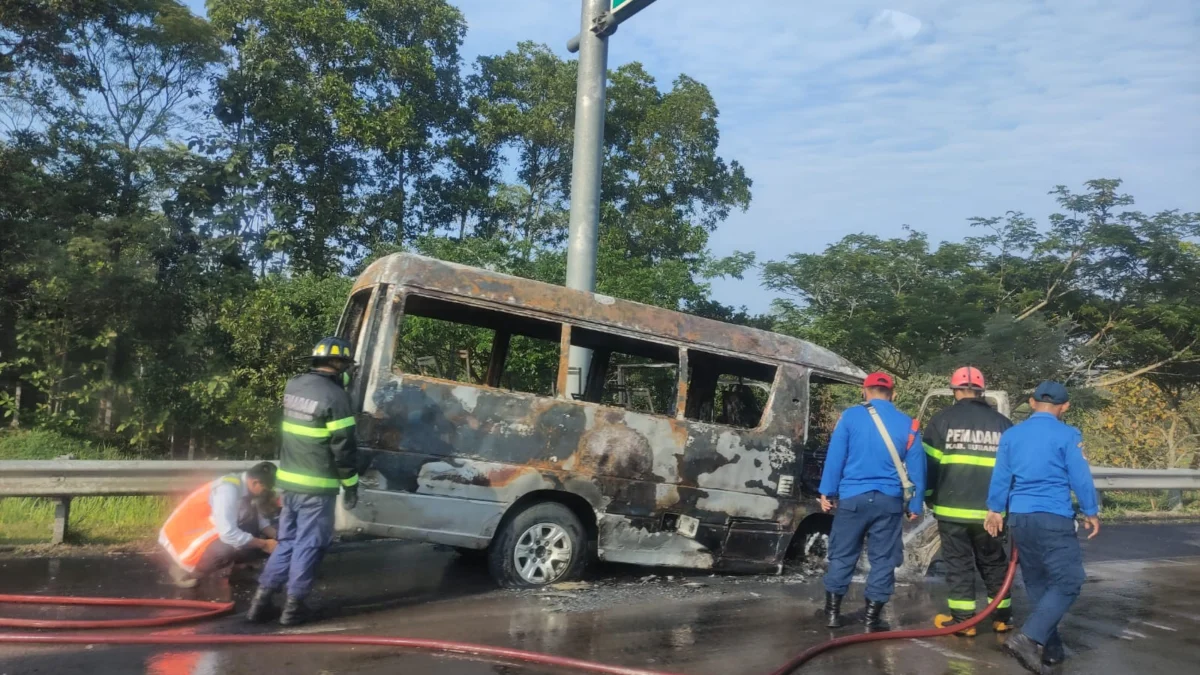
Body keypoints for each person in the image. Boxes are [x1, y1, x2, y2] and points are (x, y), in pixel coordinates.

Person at [985, 381, 1100, 674]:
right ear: (1065, 407)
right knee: (1069, 581)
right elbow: (1080, 476)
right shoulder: (1068, 434)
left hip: (1020, 518)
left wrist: (994, 510)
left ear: (1032, 402)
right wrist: (1090, 510)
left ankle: (1051, 649)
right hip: (1053, 516)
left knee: (1038, 582)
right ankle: (1028, 638)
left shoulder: (1012, 435)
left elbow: (1001, 475)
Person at [247, 336, 360, 626]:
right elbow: (343, 448)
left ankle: (260, 602)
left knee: (287, 541)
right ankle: (294, 608)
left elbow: (320, 395)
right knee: (310, 543)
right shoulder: (337, 399)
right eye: (344, 363)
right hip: (317, 487)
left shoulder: (294, 385)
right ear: (337, 364)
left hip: (291, 484)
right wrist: (351, 484)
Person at [819, 372, 925, 631]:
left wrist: (827, 492)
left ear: (864, 392)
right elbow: (918, 469)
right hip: (888, 502)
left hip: (852, 498)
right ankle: (871, 619)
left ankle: (832, 614)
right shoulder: (909, 424)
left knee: (842, 554)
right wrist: (915, 505)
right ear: (894, 394)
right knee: (884, 559)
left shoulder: (849, 417)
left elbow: (836, 458)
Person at [924, 367, 1014, 636]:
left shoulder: (941, 420)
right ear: (981, 391)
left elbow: (928, 466)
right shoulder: (1003, 425)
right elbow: (1013, 470)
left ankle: (965, 621)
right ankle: (1002, 617)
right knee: (994, 562)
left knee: (958, 562)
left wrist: (928, 498)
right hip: (991, 512)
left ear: (955, 391)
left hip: (952, 511)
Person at [159, 462, 279, 588]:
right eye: (266, 489)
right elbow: (228, 534)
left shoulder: (244, 488)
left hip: (210, 532)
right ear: (255, 483)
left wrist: (275, 535)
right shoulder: (228, 490)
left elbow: (256, 518)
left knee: (251, 535)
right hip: (186, 539)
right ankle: (184, 570)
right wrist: (264, 544)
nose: (267, 493)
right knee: (228, 547)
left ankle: (239, 569)